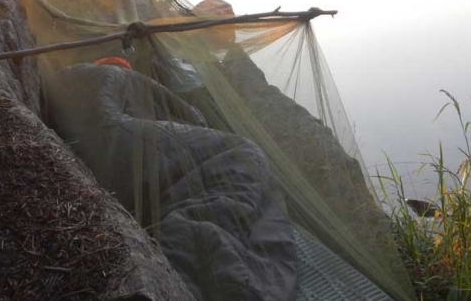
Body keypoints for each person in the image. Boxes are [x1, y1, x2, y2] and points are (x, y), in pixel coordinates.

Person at [45, 57, 297, 301]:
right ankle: (197, 259)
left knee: (219, 181)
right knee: (242, 153)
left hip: (109, 152)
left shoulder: (72, 84)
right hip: (114, 141)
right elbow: (187, 114)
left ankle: (203, 250)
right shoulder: (117, 77)